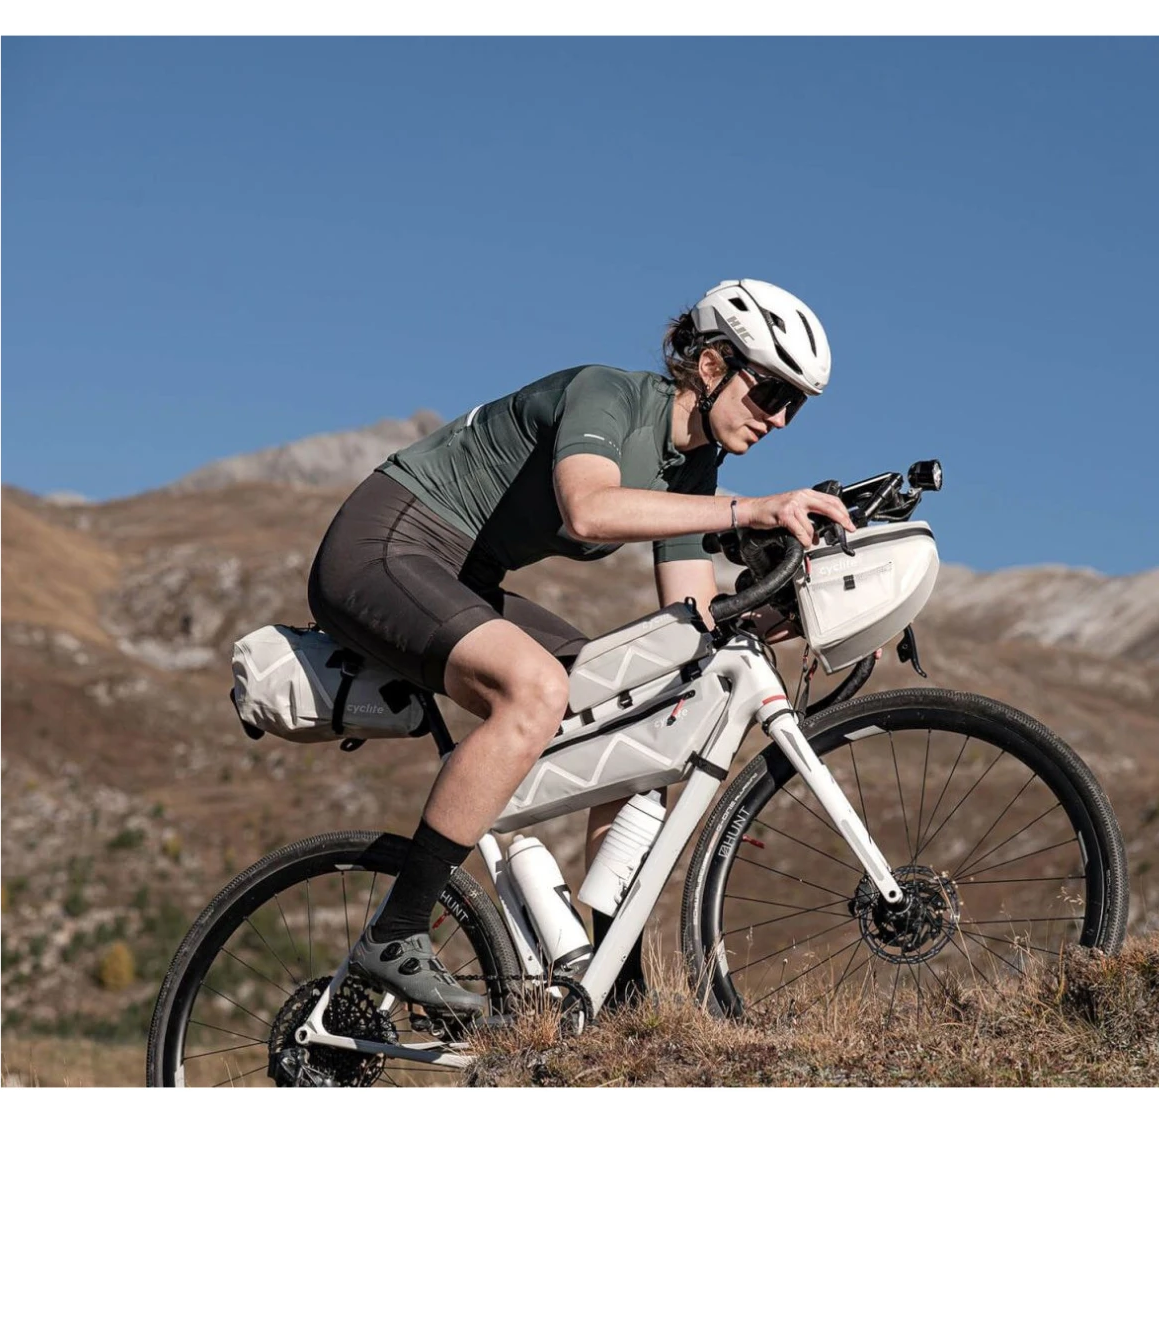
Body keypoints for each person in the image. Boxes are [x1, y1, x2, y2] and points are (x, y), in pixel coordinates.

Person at [305, 279, 854, 1019]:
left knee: (642, 704)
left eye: (796, 406)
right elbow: (589, 510)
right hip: (385, 545)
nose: (780, 419)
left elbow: (691, 622)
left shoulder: (695, 469)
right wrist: (751, 508)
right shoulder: (607, 395)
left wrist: (774, 616)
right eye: (771, 393)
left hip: (462, 579)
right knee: (536, 689)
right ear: (712, 365)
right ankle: (396, 932)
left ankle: (615, 991)